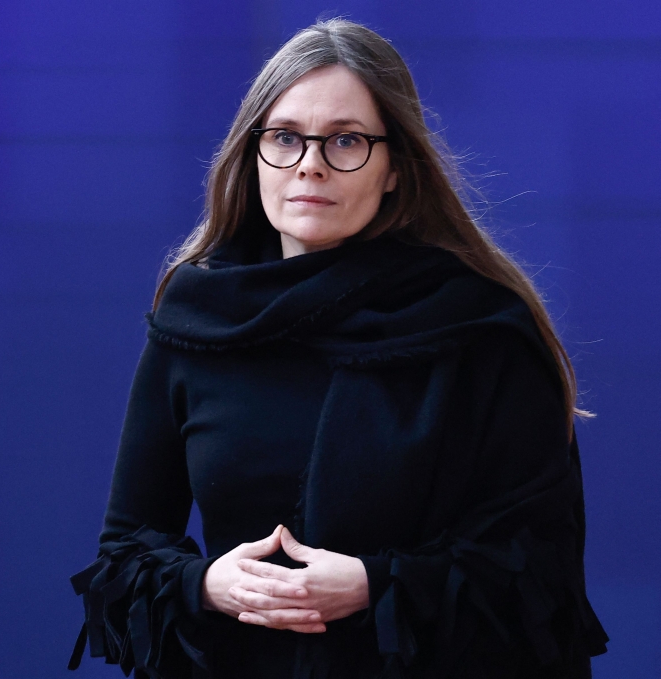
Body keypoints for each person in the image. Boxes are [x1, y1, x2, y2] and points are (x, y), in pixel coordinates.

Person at [68, 18, 609, 679]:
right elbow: (125, 553)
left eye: (346, 140)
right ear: (253, 152)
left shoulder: (482, 329)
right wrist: (207, 583)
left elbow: (540, 576)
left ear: (394, 171)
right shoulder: (193, 319)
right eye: (286, 138)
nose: (311, 165)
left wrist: (372, 584)